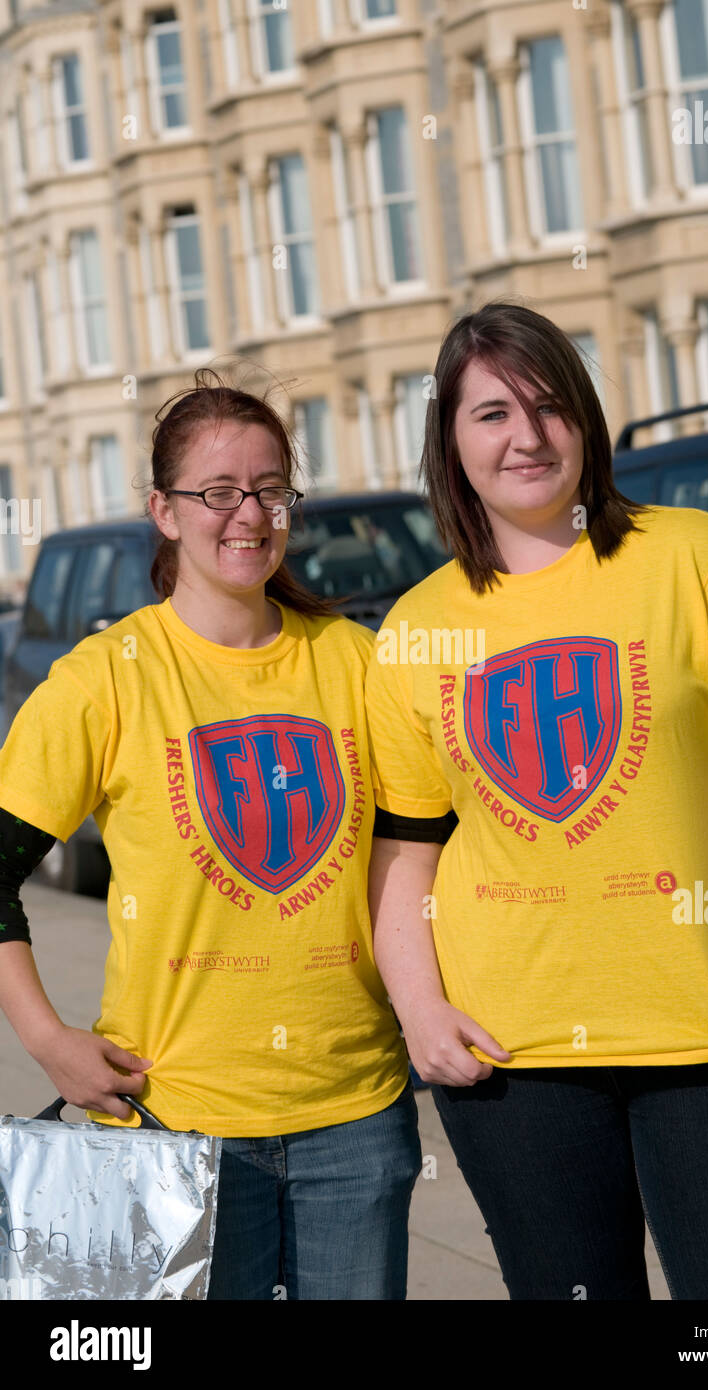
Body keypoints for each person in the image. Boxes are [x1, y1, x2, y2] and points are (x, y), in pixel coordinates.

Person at [366, 301, 708, 1301]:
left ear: (584, 419)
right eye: (489, 413)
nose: (524, 436)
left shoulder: (690, 557)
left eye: (546, 406)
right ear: (449, 439)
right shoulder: (414, 627)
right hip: (511, 1056)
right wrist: (418, 1008)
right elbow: (406, 847)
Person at [0, 372, 421, 1300]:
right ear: (163, 510)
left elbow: (421, 860)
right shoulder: (104, 680)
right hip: (170, 1127)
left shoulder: (354, 661)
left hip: (355, 1119)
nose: (249, 515)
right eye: (218, 493)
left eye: (271, 490)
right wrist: (45, 1038)